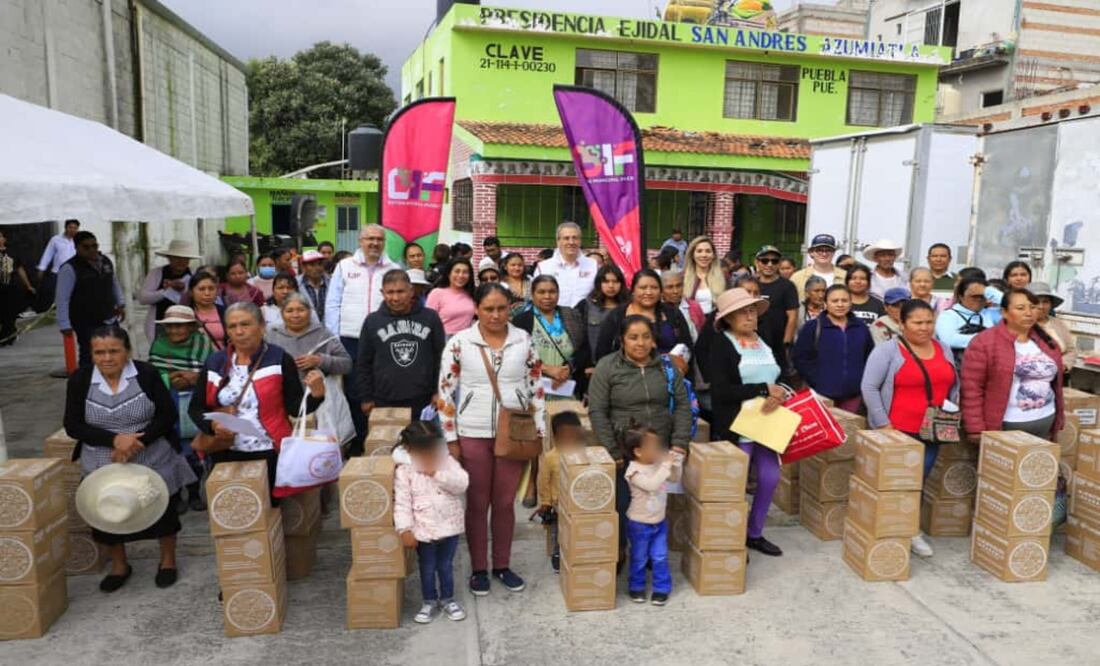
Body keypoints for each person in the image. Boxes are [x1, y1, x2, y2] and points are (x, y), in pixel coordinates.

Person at [64, 325, 196, 591]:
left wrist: (137, 442)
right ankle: (119, 565)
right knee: (108, 511)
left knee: (162, 510)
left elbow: (167, 415)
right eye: (99, 352)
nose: (107, 358)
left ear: (127, 352)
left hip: (150, 453)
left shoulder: (146, 374)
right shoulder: (80, 380)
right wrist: (114, 440)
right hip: (103, 457)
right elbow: (73, 425)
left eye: (114, 351)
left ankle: (167, 560)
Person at [437, 283, 545, 596]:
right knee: (477, 503)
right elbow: (445, 392)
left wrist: (539, 430)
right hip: (472, 431)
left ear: (511, 308)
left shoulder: (523, 340)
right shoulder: (460, 342)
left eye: (501, 308)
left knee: (504, 502)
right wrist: (450, 437)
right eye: (488, 309)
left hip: (514, 433)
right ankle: (478, 569)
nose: (496, 315)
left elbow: (536, 385)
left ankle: (502, 565)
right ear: (476, 309)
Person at [188, 302, 326, 494]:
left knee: (269, 507)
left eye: (245, 324)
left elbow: (294, 408)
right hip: (225, 450)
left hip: (269, 450)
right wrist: (213, 426)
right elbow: (195, 408)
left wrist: (317, 395)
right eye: (232, 326)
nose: (239, 332)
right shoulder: (215, 362)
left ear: (261, 327)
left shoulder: (279, 359)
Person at [861, 299, 959, 557]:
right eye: (917, 322)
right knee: (900, 484)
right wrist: (883, 424)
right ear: (902, 324)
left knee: (919, 482)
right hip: (899, 431)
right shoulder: (887, 351)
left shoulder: (943, 348)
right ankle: (898, 531)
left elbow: (951, 383)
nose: (924, 327)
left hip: (933, 430)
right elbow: (869, 387)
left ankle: (910, 530)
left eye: (929, 322)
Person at [708, 288, 788, 556]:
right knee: (736, 483)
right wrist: (762, 389)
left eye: (752, 310)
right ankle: (730, 538)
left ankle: (754, 533)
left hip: (767, 423)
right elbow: (721, 391)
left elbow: (783, 374)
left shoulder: (765, 338)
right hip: (737, 425)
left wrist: (780, 392)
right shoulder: (721, 344)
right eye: (742, 312)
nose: (749, 316)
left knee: (770, 477)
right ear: (728, 318)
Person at [326, 224, 401, 442]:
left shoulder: (393, 268)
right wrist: (334, 338)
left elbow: (399, 304)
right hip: (350, 339)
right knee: (355, 390)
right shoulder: (344, 266)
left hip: (383, 339)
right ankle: (358, 438)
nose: (374, 243)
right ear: (360, 241)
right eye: (370, 239)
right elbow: (333, 303)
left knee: (383, 387)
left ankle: (382, 438)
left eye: (379, 239)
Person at [961, 288, 1065, 442]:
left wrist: (1059, 417)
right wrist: (975, 428)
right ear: (1004, 312)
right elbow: (972, 389)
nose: (1028, 313)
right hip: (1005, 425)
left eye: (1033, 307)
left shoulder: (1046, 340)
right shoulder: (984, 342)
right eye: (1020, 308)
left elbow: (1057, 385)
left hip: (1045, 420)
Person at [392, 420, 469, 624]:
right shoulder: (404, 471)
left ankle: (448, 599)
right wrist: (404, 529)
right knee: (427, 568)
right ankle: (429, 601)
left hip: (449, 526)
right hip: (423, 530)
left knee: (445, 565)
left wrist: (437, 474)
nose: (428, 455)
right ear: (410, 449)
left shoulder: (447, 462)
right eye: (422, 451)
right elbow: (402, 503)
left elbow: (461, 484)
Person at [358, 270, 446, 445]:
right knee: (386, 448)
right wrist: (366, 397)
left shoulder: (430, 317)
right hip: (384, 399)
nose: (395, 298)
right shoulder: (372, 321)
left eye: (400, 291)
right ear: (382, 293)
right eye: (390, 292)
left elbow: (441, 357)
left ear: (411, 291)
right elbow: (364, 362)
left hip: (422, 399)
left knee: (421, 448)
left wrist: (438, 390)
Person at [148, 305, 215, 513]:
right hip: (169, 402)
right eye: (170, 326)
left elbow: (213, 372)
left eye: (180, 326)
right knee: (172, 450)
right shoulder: (159, 345)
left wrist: (195, 378)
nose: (174, 330)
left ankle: (194, 492)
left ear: (191, 327)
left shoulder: (204, 344)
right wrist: (170, 379)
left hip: (195, 402)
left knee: (194, 450)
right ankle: (176, 495)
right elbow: (151, 376)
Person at [623, 425, 681, 606]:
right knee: (639, 558)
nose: (658, 450)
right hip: (639, 524)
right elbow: (652, 485)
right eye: (653, 447)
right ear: (638, 452)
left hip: (660, 522)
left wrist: (675, 464)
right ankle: (636, 586)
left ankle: (662, 588)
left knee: (660, 556)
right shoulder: (633, 471)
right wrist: (666, 465)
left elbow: (674, 479)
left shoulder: (659, 465)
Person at [793, 285, 874, 413]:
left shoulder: (860, 327)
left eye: (844, 300)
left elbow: (869, 357)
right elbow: (800, 358)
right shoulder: (813, 327)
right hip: (821, 394)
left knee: (849, 425)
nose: (840, 305)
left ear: (850, 302)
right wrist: (817, 380)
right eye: (835, 301)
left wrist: (860, 381)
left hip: (853, 394)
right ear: (825, 303)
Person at [594, 269, 694, 373]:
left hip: (671, 376)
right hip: (626, 377)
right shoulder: (617, 316)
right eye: (643, 288)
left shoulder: (673, 313)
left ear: (661, 291)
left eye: (654, 288)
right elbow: (602, 352)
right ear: (633, 290)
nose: (648, 292)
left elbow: (687, 347)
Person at [56, 231, 125, 368]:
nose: (92, 250)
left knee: (115, 350)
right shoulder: (70, 268)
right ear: (77, 247)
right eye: (86, 247)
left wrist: (120, 303)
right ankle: (86, 379)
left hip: (109, 316)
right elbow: (62, 298)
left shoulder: (105, 261)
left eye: (94, 246)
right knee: (90, 354)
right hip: (85, 320)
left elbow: (113, 282)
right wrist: (64, 324)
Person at [512, 275, 589, 397]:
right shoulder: (521, 321)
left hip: (568, 386)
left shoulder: (573, 316)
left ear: (558, 294)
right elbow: (514, 354)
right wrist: (546, 368)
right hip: (533, 388)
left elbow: (584, 349)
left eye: (552, 292)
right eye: (541, 292)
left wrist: (569, 368)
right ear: (532, 294)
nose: (547, 296)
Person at [535, 411, 586, 573]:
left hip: (579, 502)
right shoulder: (550, 457)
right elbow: (544, 481)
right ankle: (557, 553)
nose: (571, 441)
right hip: (559, 503)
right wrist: (545, 502)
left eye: (574, 436)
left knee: (578, 530)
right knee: (559, 531)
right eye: (566, 437)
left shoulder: (583, 454)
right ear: (556, 438)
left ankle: (577, 552)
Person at [265, 293, 351, 383]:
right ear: (282, 314)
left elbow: (347, 365)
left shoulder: (323, 334)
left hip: (317, 390)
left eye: (301, 310)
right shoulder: (272, 335)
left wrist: (319, 361)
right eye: (289, 311)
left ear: (310, 312)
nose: (295, 315)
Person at [136, 240, 200, 345]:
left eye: (185, 259)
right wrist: (167, 291)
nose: (181, 262)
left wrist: (184, 289)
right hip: (160, 324)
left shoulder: (194, 274)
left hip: (187, 324)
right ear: (169, 258)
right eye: (177, 258)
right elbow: (143, 298)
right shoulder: (156, 273)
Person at [935, 276, 999, 364]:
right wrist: (987, 339)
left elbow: (1012, 306)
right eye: (974, 296)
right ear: (961, 296)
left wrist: (993, 294)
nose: (979, 300)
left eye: (982, 296)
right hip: (957, 366)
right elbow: (949, 340)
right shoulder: (948, 316)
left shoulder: (991, 314)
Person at [754, 245, 799, 368]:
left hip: (777, 343)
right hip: (753, 341)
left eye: (774, 261)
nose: (769, 264)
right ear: (757, 262)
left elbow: (792, 316)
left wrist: (786, 343)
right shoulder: (751, 284)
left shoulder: (787, 286)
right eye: (765, 261)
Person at [534, 222, 598, 308]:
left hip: (585, 315)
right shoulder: (543, 267)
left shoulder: (593, 265)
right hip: (555, 315)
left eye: (575, 238)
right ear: (558, 241)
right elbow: (536, 297)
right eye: (566, 238)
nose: (571, 242)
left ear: (580, 241)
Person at [575, 264, 629, 356]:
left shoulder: (629, 307)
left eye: (615, 281)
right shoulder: (585, 306)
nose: (611, 286)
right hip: (592, 362)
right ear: (599, 283)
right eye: (606, 281)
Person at [0, 230, 35, 345]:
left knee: (10, 313)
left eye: (0, 236)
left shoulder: (12, 253)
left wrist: (28, 285)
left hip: (11, 288)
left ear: (4, 239)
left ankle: (9, 336)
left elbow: (20, 269)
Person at [35, 218, 79, 311]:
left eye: (75, 228)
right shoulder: (56, 240)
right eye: (70, 227)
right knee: (57, 296)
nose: (72, 230)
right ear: (65, 227)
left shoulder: (79, 240)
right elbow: (48, 254)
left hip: (74, 273)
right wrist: (41, 269)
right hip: (58, 273)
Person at [1031, 282, 1076, 371]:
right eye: (1036, 301)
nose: (1041, 306)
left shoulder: (1058, 323)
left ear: (1051, 304)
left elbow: (1071, 350)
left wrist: (1063, 365)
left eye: (1045, 302)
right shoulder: (1020, 325)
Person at [427, 258, 476, 337]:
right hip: (443, 338)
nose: (460, 275)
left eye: (465, 272)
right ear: (449, 273)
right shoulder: (437, 293)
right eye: (457, 271)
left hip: (466, 338)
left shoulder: (471, 294)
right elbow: (428, 321)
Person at [791, 234, 846, 300]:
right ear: (811, 252)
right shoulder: (797, 277)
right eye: (819, 250)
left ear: (833, 253)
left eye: (828, 250)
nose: (824, 254)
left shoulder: (845, 276)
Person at [683, 236, 728, 315]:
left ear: (713, 255)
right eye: (699, 251)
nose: (704, 255)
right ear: (692, 255)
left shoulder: (724, 277)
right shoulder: (682, 277)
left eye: (708, 251)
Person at [187, 272, 226, 351]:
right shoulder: (186, 314)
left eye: (211, 289)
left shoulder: (225, 312)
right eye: (201, 289)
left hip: (221, 356)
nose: (207, 293)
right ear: (191, 292)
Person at [661, 270, 703, 340]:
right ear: (661, 290)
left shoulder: (694, 306)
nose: (675, 291)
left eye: (678, 286)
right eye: (670, 287)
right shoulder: (658, 310)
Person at [297, 250, 329, 322]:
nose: (317, 268)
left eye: (320, 264)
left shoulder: (330, 282)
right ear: (303, 267)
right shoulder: (296, 283)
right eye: (312, 265)